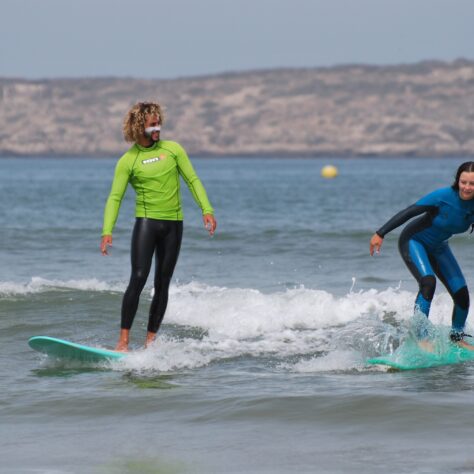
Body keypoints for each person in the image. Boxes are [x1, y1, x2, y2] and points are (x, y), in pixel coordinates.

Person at [100, 101, 216, 351]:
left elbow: (192, 180)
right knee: (139, 278)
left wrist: (206, 210)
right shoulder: (128, 161)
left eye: (158, 123)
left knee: (163, 281)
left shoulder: (173, 150)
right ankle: (123, 341)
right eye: (153, 124)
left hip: (173, 225)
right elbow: (115, 197)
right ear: (139, 126)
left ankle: (150, 343)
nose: (158, 128)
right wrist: (107, 231)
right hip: (147, 224)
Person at [369, 161, 474, 348]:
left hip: (439, 247)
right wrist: (380, 233)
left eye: (472, 184)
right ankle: (421, 337)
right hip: (414, 241)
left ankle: (457, 338)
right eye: (463, 182)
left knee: (462, 296)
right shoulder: (443, 196)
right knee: (428, 282)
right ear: (457, 180)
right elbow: (409, 212)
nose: (466, 187)